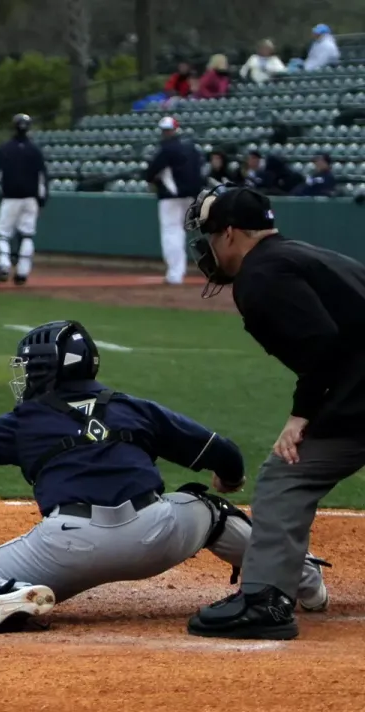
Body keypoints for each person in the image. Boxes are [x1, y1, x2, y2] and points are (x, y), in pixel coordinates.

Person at [0, 320, 327, 634]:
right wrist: (227, 480)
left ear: (47, 370)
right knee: (211, 511)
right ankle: (303, 580)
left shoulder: (23, 420)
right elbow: (225, 454)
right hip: (157, 534)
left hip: (69, 546)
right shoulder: (133, 408)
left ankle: (11, 594)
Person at [185, 184, 363, 639]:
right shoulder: (303, 255)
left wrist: (301, 414)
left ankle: (264, 601)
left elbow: (320, 346)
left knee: (287, 474)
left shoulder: (261, 274)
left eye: (209, 236)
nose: (208, 247)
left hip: (357, 392)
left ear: (229, 233)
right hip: (356, 389)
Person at [0, 113, 47, 288]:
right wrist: (41, 200)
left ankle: (4, 264)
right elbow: (43, 177)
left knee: (3, 233)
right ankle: (22, 272)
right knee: (27, 234)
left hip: (11, 197)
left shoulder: (4, 148)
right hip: (31, 198)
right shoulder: (35, 150)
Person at [144, 116, 204, 285]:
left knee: (172, 232)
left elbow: (151, 171)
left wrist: (152, 181)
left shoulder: (166, 149)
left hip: (171, 197)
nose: (165, 133)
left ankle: (175, 274)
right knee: (180, 232)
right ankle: (179, 271)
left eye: (166, 130)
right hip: (191, 196)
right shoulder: (192, 148)